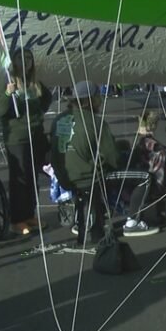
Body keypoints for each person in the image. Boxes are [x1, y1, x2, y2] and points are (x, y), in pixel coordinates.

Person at [50, 81, 120, 245]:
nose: (100, 101)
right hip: (88, 178)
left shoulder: (58, 119)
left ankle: (82, 223)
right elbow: (113, 157)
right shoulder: (95, 122)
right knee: (127, 170)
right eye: (98, 97)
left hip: (63, 178)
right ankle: (98, 226)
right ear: (90, 100)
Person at [0, 48, 52, 235]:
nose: (26, 61)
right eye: (21, 58)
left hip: (35, 135)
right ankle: (17, 219)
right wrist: (7, 94)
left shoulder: (33, 83)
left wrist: (38, 115)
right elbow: (0, 110)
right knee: (19, 179)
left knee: (32, 177)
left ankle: (29, 214)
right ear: (14, 61)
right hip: (17, 138)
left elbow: (46, 99)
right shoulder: (7, 81)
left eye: (28, 58)